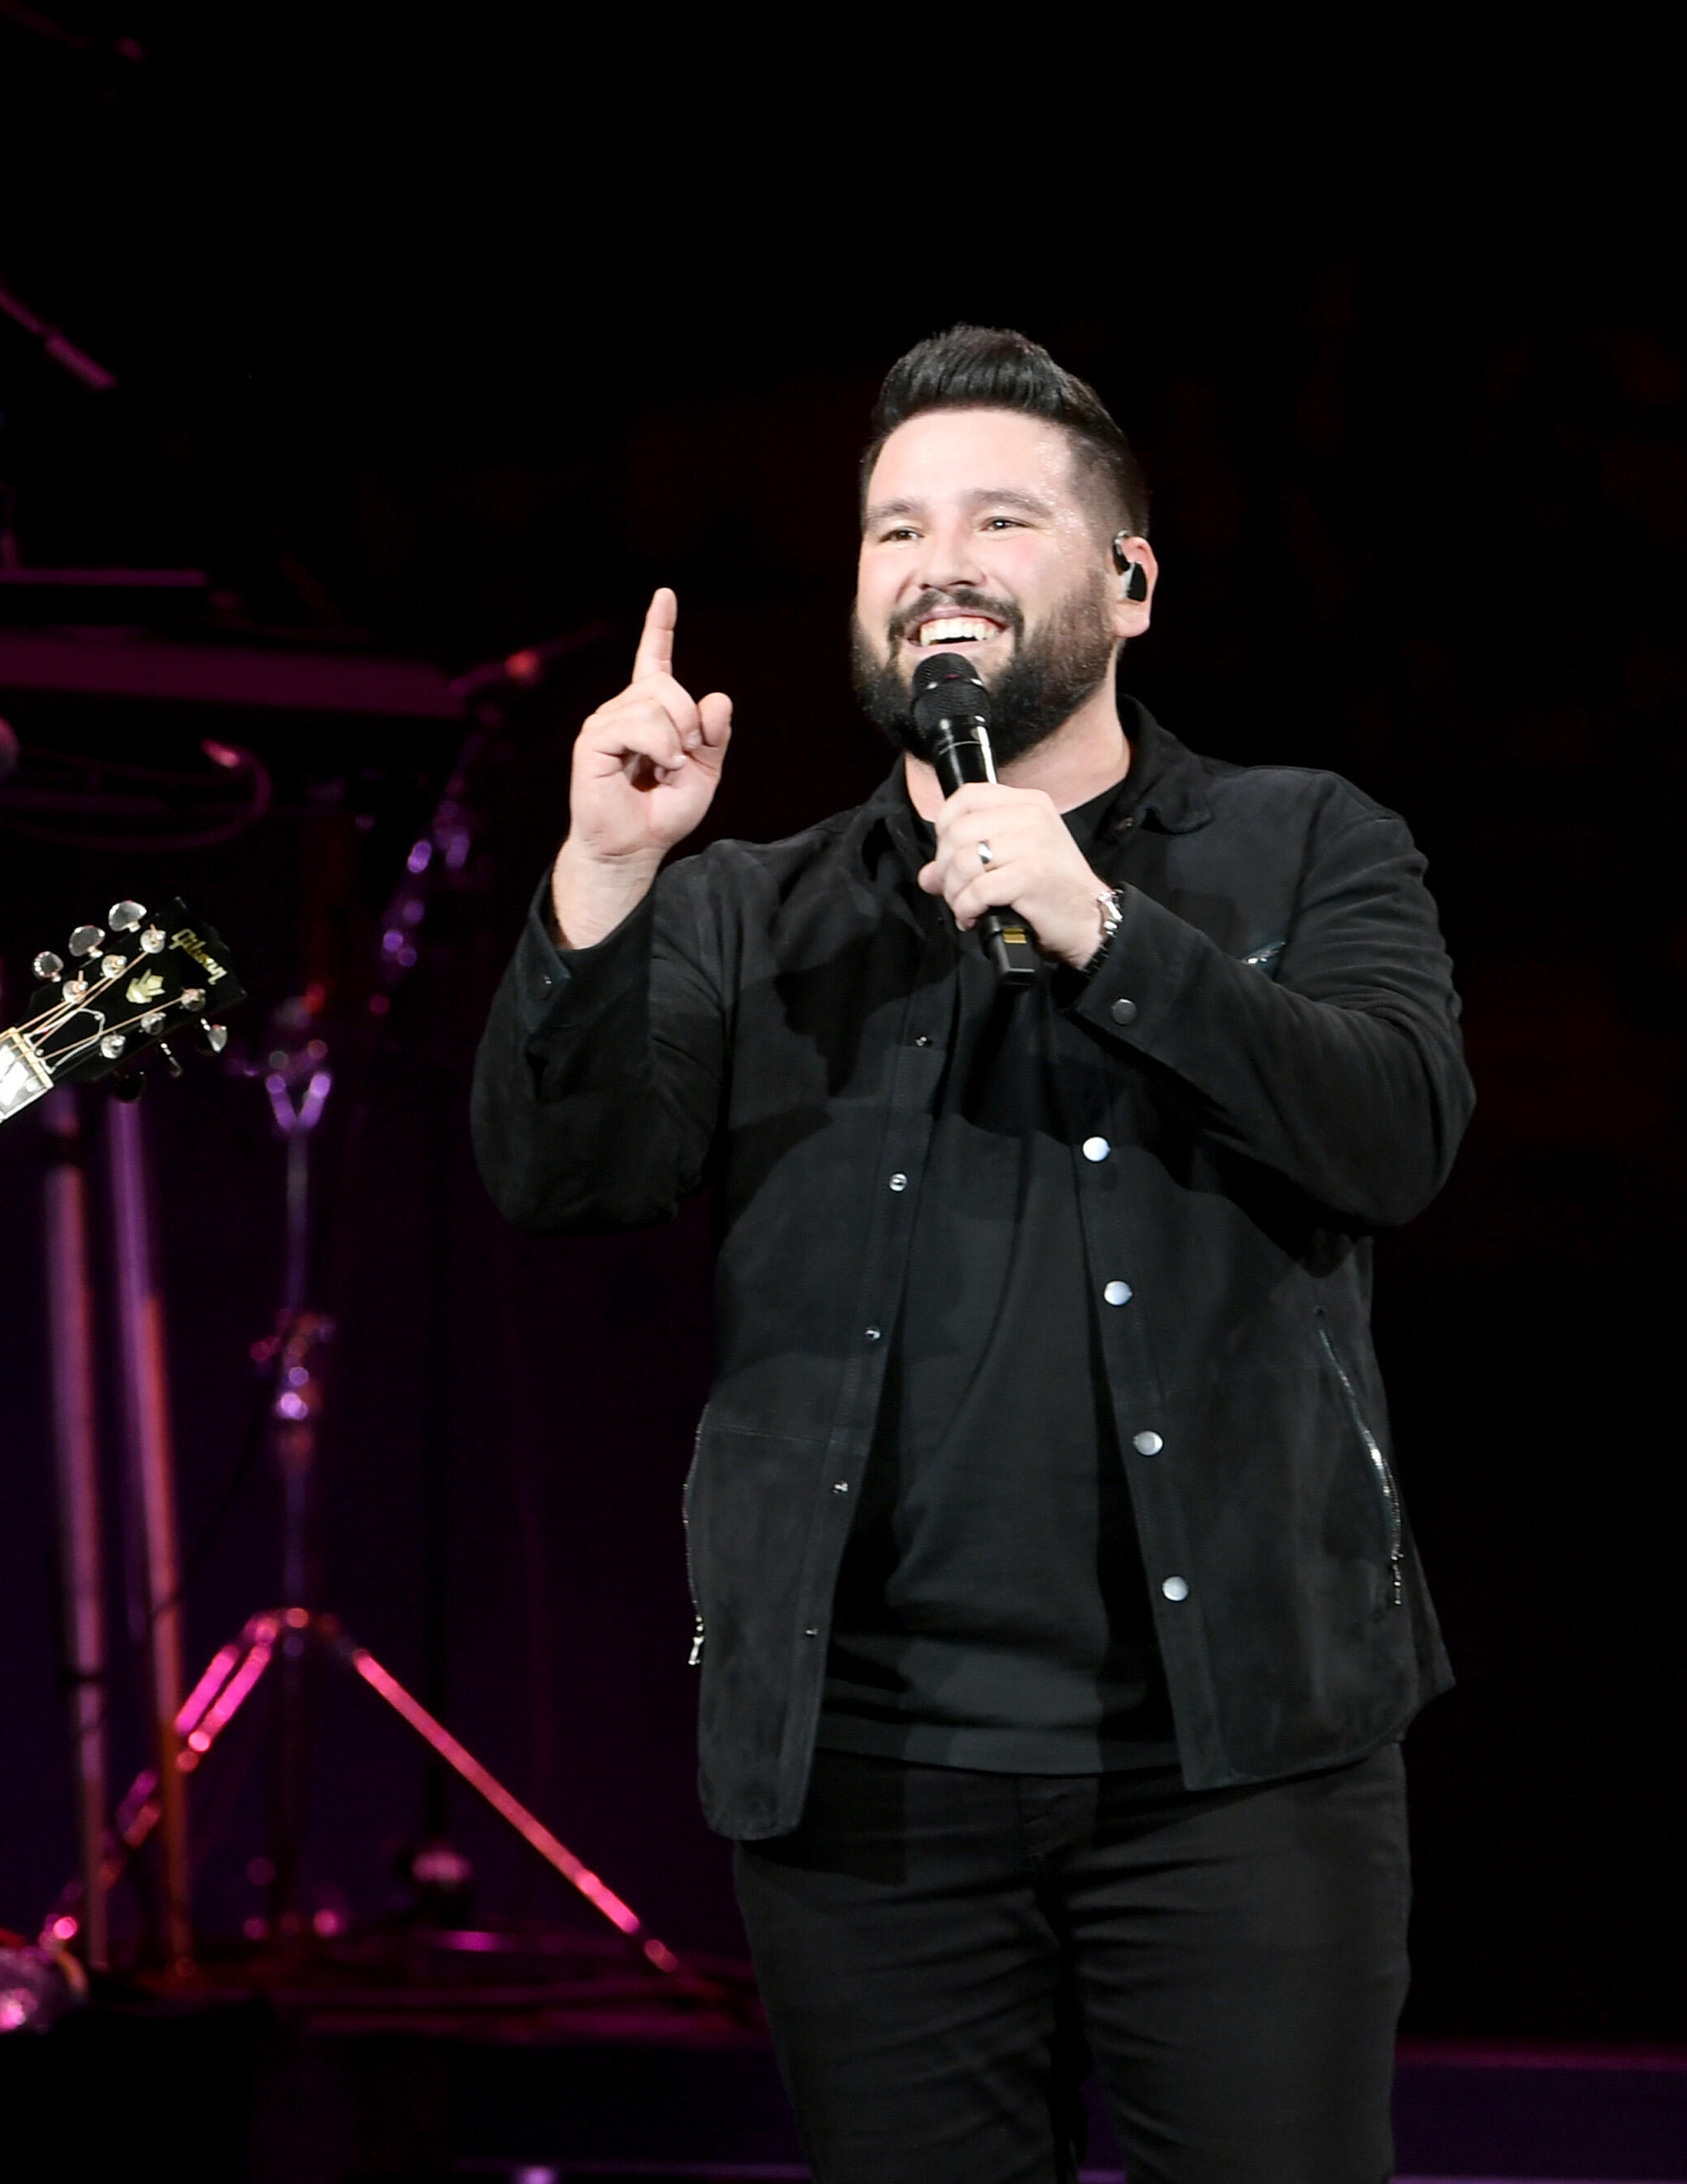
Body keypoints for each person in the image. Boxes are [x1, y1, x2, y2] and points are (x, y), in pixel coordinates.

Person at [473, 327, 1469, 2182]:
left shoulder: (1303, 844)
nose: (939, 562)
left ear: (1130, 581)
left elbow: (1394, 1133)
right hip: (869, 1788)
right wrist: (602, 878)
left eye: (1001, 519)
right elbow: (562, 1175)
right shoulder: (747, 911)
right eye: (895, 530)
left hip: (1239, 1766)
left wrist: (1109, 935)